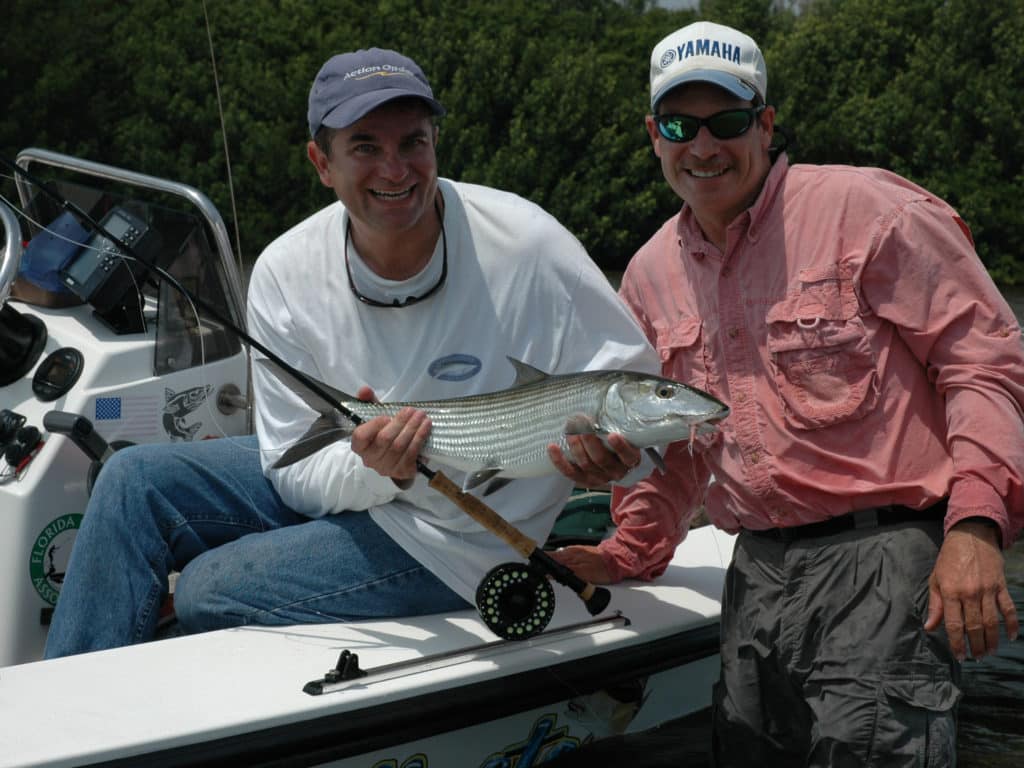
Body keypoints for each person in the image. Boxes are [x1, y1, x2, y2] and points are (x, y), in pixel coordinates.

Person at [44, 47, 660, 658]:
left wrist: (619, 463)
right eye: (365, 146)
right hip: (360, 484)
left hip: (456, 542)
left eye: (413, 142)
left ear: (436, 143)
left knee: (208, 586)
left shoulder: (532, 247)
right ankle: (69, 726)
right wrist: (379, 472)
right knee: (131, 481)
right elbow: (292, 471)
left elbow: (647, 427)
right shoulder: (285, 271)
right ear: (321, 162)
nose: (395, 170)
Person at [550, 20, 1024, 766]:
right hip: (755, 572)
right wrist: (626, 555)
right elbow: (674, 452)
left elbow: (985, 366)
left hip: (885, 554)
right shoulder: (647, 274)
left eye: (728, 122)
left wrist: (975, 526)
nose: (703, 148)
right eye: (679, 125)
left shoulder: (872, 212)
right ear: (653, 135)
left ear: (765, 124)